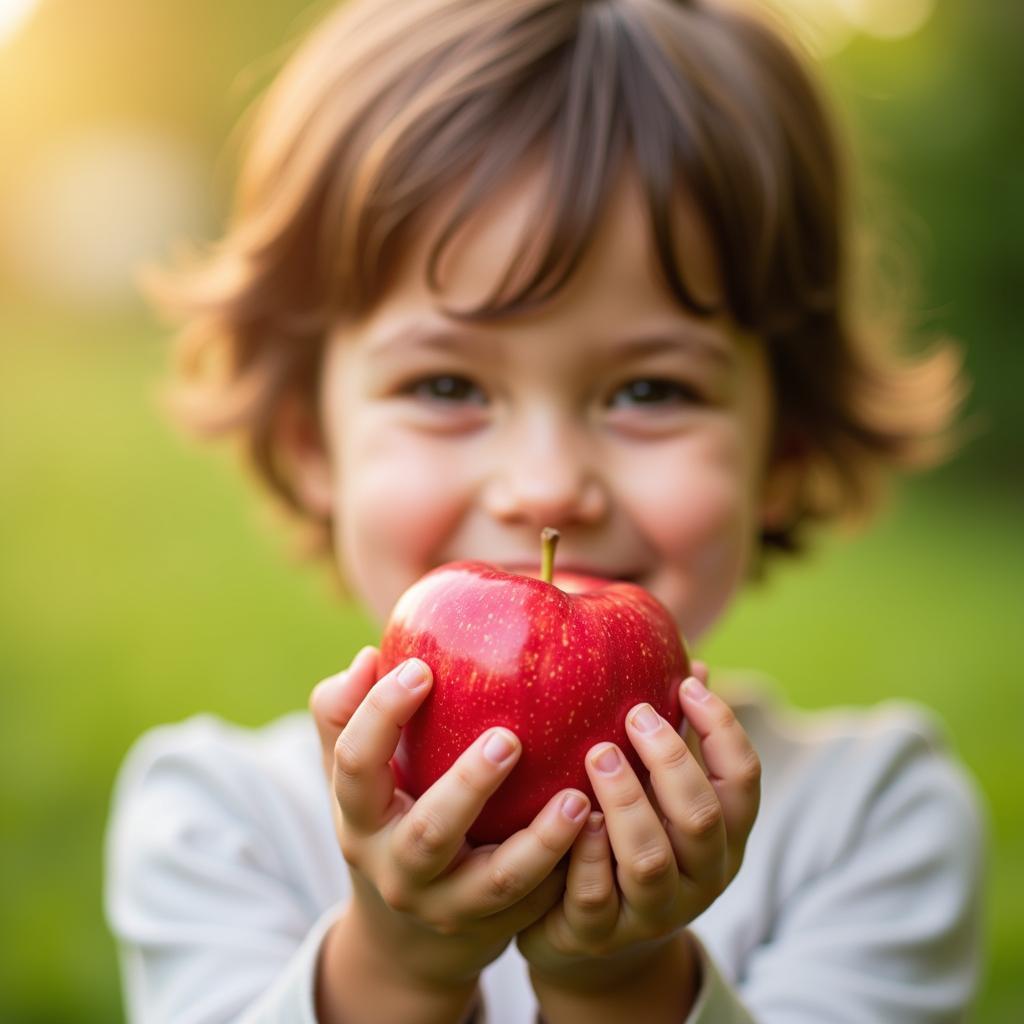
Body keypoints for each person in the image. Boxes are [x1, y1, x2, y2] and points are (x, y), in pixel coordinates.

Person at [103, 1, 987, 1021]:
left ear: (779, 452)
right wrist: (392, 970)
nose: (547, 483)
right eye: (445, 385)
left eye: (649, 390)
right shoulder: (217, 822)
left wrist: (623, 980)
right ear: (313, 445)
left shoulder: (872, 818)